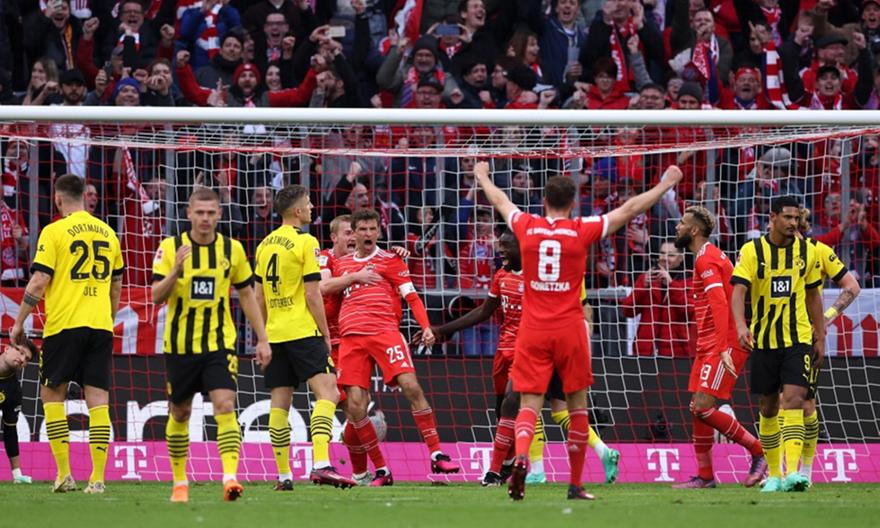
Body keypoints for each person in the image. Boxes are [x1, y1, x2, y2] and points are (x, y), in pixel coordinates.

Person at [475, 160, 683, 501]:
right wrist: (665, 184)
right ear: (573, 203)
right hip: (570, 328)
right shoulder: (581, 229)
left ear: (544, 201)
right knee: (576, 407)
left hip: (533, 328)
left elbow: (500, 200)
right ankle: (575, 484)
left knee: (528, 403)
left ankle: (522, 457)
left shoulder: (527, 226)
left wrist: (482, 176)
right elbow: (629, 210)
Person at [427, 230, 620, 487]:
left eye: (505, 246)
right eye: (500, 246)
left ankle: (513, 469)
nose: (500, 251)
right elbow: (484, 311)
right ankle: (589, 454)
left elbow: (577, 307)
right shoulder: (502, 276)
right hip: (508, 351)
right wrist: (442, 330)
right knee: (539, 411)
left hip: (536, 351)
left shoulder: (542, 278)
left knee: (520, 403)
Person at [151, 188, 271, 503]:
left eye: (211, 213)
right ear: (189, 213)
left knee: (225, 404)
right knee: (180, 412)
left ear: (219, 214)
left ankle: (230, 478)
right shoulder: (170, 247)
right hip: (180, 347)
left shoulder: (233, 249)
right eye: (200, 212)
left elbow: (247, 294)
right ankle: (180, 483)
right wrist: (175, 271)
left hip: (219, 343)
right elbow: (155, 296)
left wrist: (262, 338)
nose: (205, 218)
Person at [327, 208, 460, 484]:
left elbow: (411, 296)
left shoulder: (391, 259)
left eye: (372, 229)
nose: (368, 234)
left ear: (379, 231)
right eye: (362, 229)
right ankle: (381, 470)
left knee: (411, 386)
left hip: (385, 332)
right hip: (351, 338)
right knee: (356, 405)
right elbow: (326, 294)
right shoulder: (341, 266)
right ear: (354, 233)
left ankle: (437, 454)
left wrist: (426, 326)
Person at [10, 174, 124, 494]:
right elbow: (116, 285)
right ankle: (98, 479)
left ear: (58, 199)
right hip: (100, 325)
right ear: (85, 196)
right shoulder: (108, 232)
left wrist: (19, 323)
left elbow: (39, 281)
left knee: (52, 396)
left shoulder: (54, 231)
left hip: (64, 325)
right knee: (98, 400)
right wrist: (108, 318)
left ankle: (64, 475)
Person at [254, 185, 356, 491]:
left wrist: (263, 336)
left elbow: (258, 297)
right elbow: (313, 294)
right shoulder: (306, 241)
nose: (312, 208)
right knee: (329, 394)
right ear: (297, 211)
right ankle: (321, 463)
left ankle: (284, 475)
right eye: (309, 204)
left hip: (275, 333)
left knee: (279, 405)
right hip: (302, 330)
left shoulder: (264, 245)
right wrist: (325, 333)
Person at [731, 195, 826, 493]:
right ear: (772, 218)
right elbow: (738, 291)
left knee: (795, 399)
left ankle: (793, 473)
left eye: (796, 218)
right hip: (764, 340)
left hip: (798, 338)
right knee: (768, 406)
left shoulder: (807, 251)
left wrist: (821, 336)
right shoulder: (752, 250)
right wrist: (741, 326)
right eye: (787, 217)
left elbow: (813, 295)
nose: (793, 223)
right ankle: (773, 474)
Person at [671, 206, 767, 489]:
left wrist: (724, 347)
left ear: (694, 230)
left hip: (724, 343)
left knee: (703, 407)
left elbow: (720, 303)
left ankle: (758, 450)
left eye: (682, 223)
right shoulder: (706, 255)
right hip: (710, 343)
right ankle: (705, 476)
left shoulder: (706, 259)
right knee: (696, 408)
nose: (677, 227)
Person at [318, 214, 400, 486]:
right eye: (348, 233)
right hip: (329, 343)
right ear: (334, 238)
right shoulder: (325, 258)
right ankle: (369, 470)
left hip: (355, 339)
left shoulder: (363, 262)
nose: (353, 238)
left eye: (354, 233)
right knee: (353, 408)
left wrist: (398, 253)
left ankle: (360, 473)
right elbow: (323, 287)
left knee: (358, 409)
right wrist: (355, 277)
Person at [796, 207, 861, 486]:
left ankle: (805, 471)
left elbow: (852, 286)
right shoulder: (768, 252)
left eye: (797, 225)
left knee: (805, 403)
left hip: (806, 337)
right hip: (774, 336)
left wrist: (825, 319)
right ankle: (780, 470)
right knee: (774, 403)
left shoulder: (819, 251)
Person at [0, 339, 39, 484]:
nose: (22, 359)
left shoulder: (14, 392)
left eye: (27, 359)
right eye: (20, 352)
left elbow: (10, 432)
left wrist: (17, 474)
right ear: (6, 349)